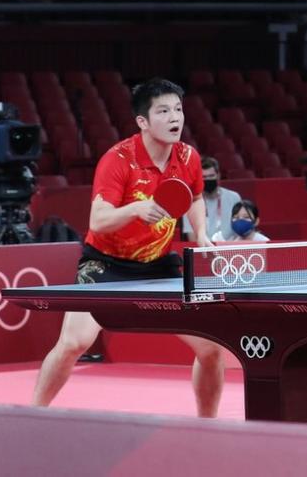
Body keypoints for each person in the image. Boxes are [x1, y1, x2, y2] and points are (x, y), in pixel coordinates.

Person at [32, 78, 225, 417]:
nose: (174, 117)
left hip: (158, 264)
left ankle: (207, 424)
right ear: (143, 122)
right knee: (73, 344)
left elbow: (194, 196)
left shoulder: (188, 156)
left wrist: (202, 233)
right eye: (163, 111)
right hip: (106, 264)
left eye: (177, 109)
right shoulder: (118, 159)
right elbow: (98, 221)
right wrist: (135, 208)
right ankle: (32, 414)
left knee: (211, 349)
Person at [182, 156, 241, 241]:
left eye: (211, 176)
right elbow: (192, 237)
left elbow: (239, 231)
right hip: (204, 249)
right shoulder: (190, 202)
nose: (208, 180)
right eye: (204, 177)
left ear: (218, 176)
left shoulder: (234, 197)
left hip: (229, 248)